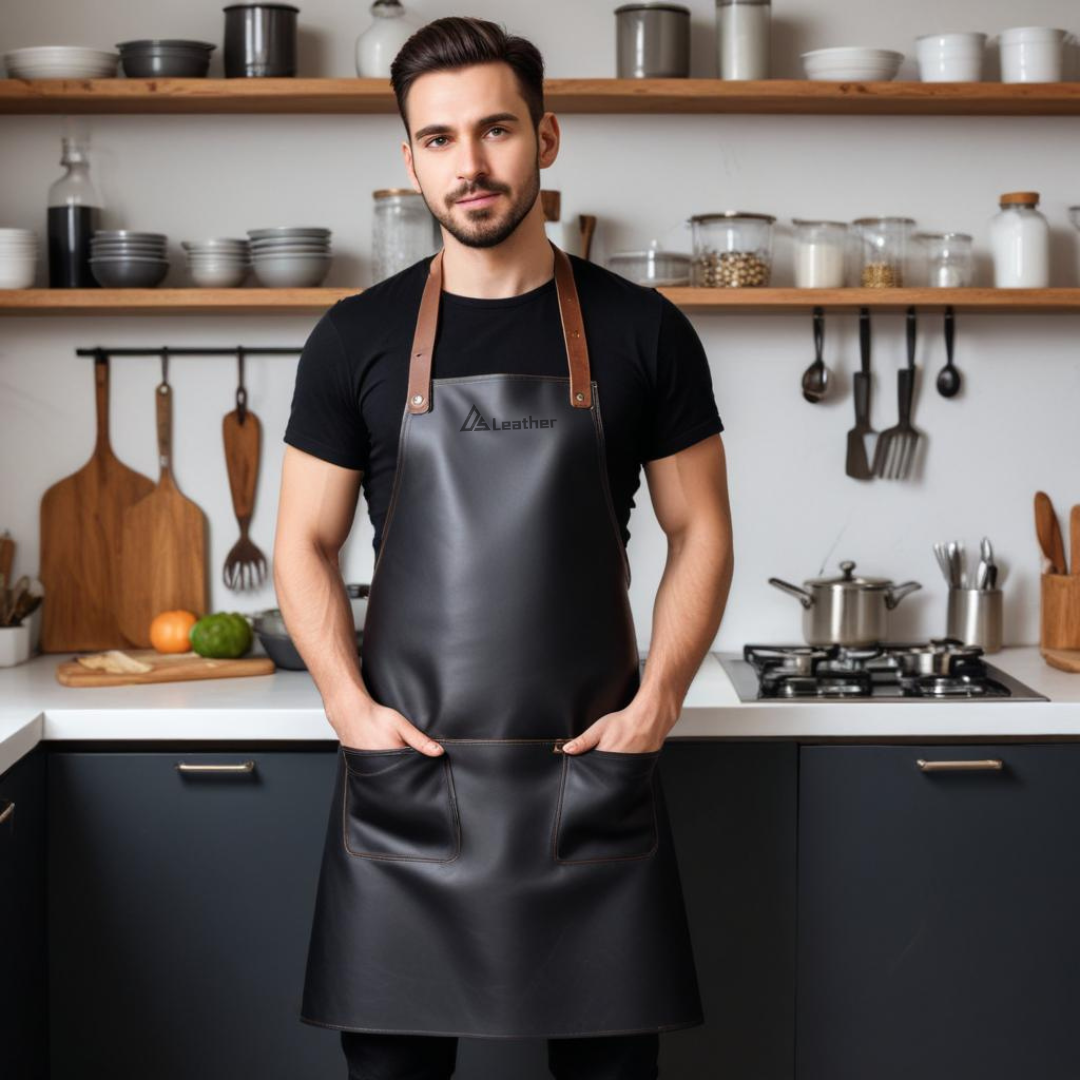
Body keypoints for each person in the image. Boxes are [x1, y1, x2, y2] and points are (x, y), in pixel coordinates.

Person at [274, 15, 734, 1079]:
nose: (470, 166)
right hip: (410, 786)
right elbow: (302, 538)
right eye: (439, 140)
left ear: (547, 137)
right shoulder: (355, 337)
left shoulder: (642, 330)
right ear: (409, 158)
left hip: (590, 785)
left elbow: (699, 526)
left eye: (495, 131)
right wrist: (350, 710)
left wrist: (657, 702)